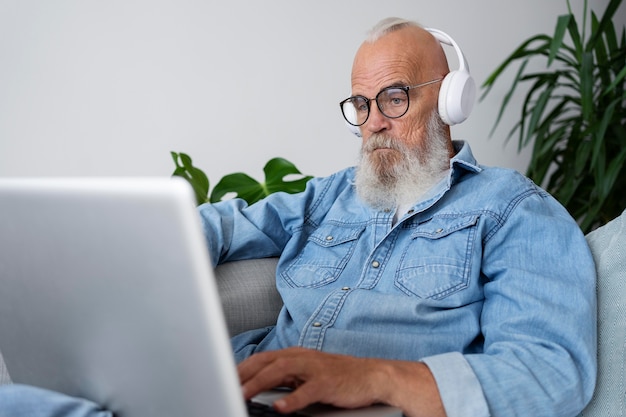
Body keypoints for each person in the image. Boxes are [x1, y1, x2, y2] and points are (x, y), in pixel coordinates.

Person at [0, 17, 596, 417]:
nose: (374, 124)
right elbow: (220, 225)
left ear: (448, 101)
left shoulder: (512, 210)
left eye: (393, 98)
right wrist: (106, 248)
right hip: (236, 395)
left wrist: (376, 378)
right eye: (361, 106)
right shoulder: (328, 196)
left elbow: (550, 372)